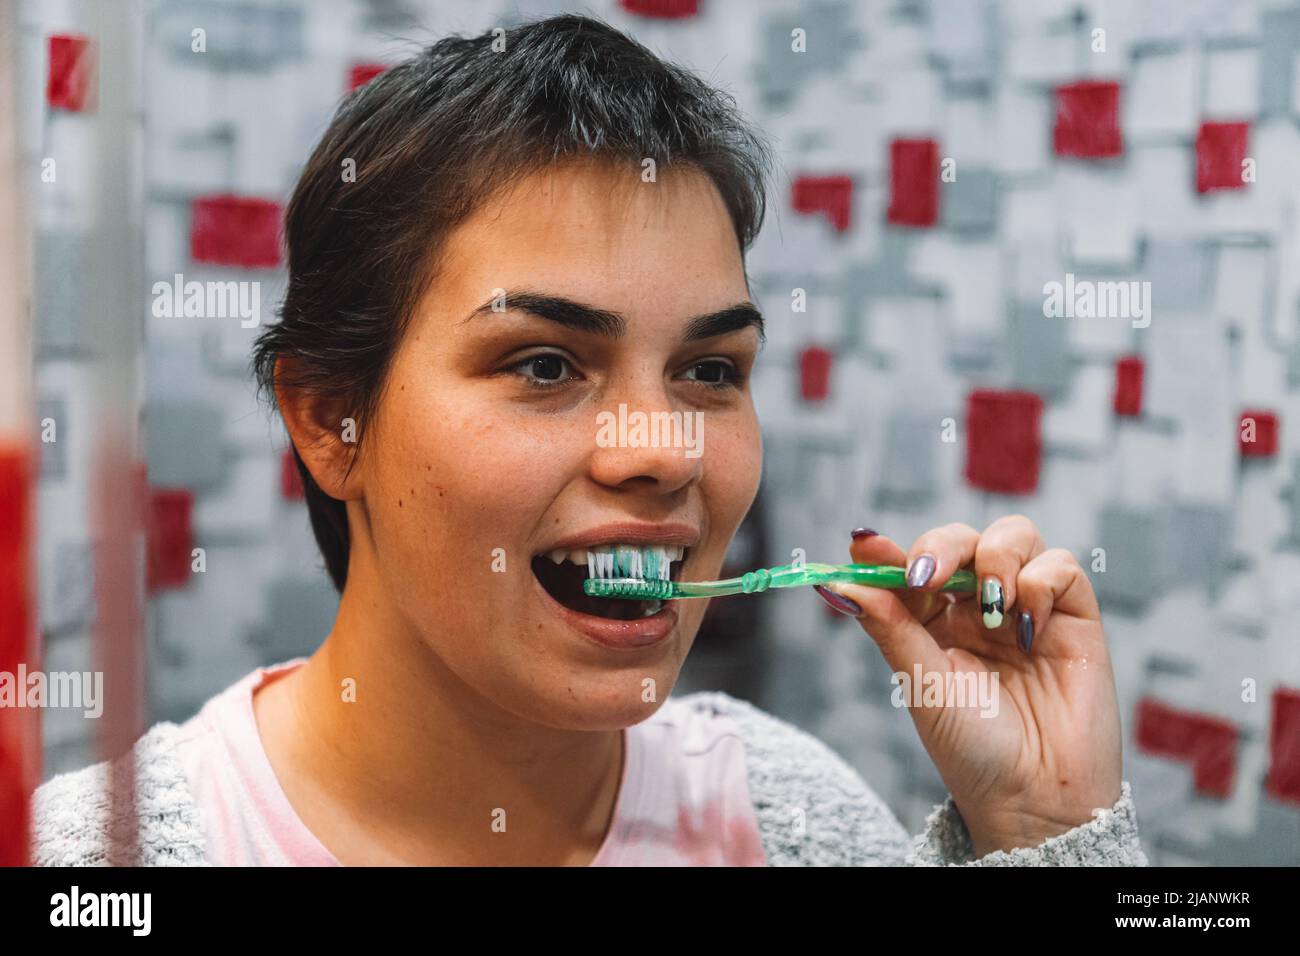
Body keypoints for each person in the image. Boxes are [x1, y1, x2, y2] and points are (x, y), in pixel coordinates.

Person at [33, 14, 1145, 867]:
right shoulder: (99, 858)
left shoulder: (783, 811)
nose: (662, 452)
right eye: (545, 364)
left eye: (710, 371)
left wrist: (1044, 827)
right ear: (333, 421)